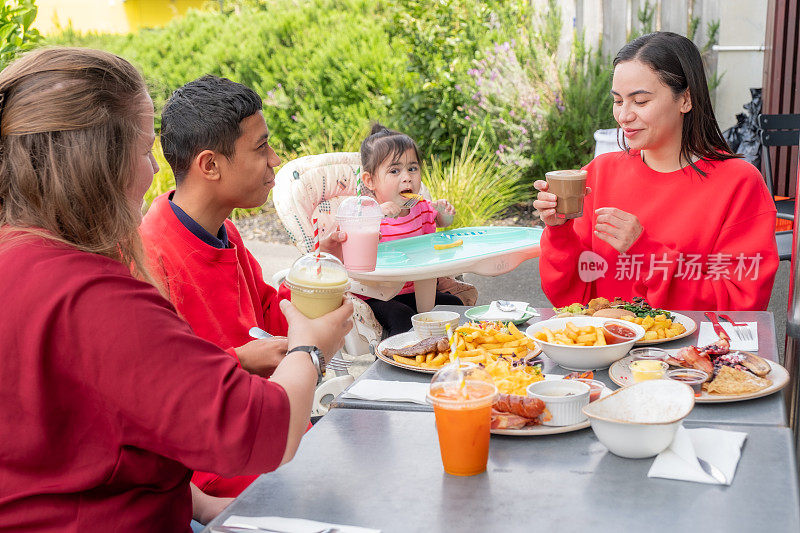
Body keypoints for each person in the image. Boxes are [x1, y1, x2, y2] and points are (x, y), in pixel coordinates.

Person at [0, 47, 353, 532]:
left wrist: (201, 508)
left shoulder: (22, 257)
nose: (152, 172)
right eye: (144, 151)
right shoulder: (100, 290)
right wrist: (311, 351)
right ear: (97, 165)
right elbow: (254, 428)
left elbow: (108, 430)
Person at [139, 75, 347, 501]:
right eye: (260, 148)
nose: (274, 160)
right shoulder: (150, 256)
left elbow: (273, 318)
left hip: (269, 427)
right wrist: (242, 361)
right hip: (218, 470)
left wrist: (320, 270)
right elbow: (160, 391)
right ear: (210, 165)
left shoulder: (224, 231)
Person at [533, 32, 778, 311]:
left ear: (685, 99)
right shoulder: (598, 174)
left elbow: (742, 302)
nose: (624, 115)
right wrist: (559, 231)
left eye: (640, 101)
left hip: (689, 352)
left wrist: (646, 251)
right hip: (603, 348)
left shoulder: (738, 182)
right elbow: (572, 298)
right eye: (618, 101)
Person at [359, 124, 463, 336]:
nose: (406, 177)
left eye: (412, 168)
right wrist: (376, 215)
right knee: (402, 318)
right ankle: (400, 362)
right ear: (370, 181)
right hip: (379, 295)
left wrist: (445, 213)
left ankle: (449, 353)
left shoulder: (421, 208)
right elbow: (353, 244)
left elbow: (441, 223)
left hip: (418, 290)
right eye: (394, 171)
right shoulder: (367, 213)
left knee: (453, 305)